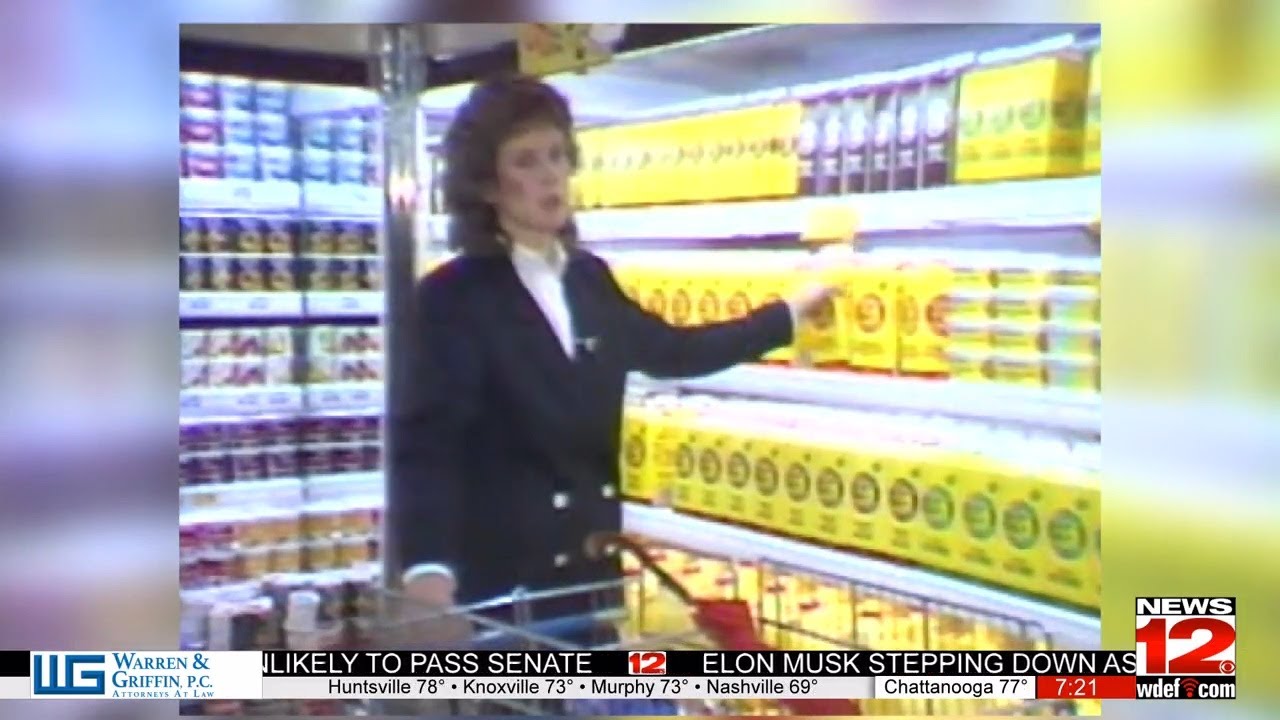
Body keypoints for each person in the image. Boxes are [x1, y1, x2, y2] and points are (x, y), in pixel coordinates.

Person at [391, 75, 836, 624]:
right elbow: (427, 445)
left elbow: (675, 351)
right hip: (507, 594)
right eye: (525, 161)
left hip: (591, 579)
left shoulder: (589, 279)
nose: (550, 175)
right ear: (486, 185)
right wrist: (427, 570)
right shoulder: (454, 296)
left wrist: (787, 314)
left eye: (557, 155)